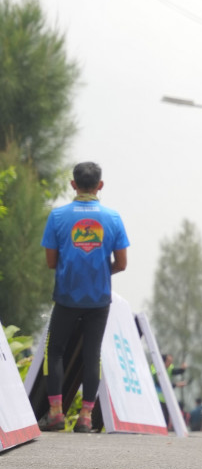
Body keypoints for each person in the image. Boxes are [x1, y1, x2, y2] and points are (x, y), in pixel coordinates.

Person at [39, 160, 130, 433]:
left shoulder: (57, 217)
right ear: (100, 185)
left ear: (73, 185)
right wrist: (100, 271)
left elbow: (51, 262)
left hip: (66, 296)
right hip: (99, 299)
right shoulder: (113, 218)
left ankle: (55, 413)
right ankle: (86, 417)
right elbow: (122, 263)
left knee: (55, 351)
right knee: (93, 355)